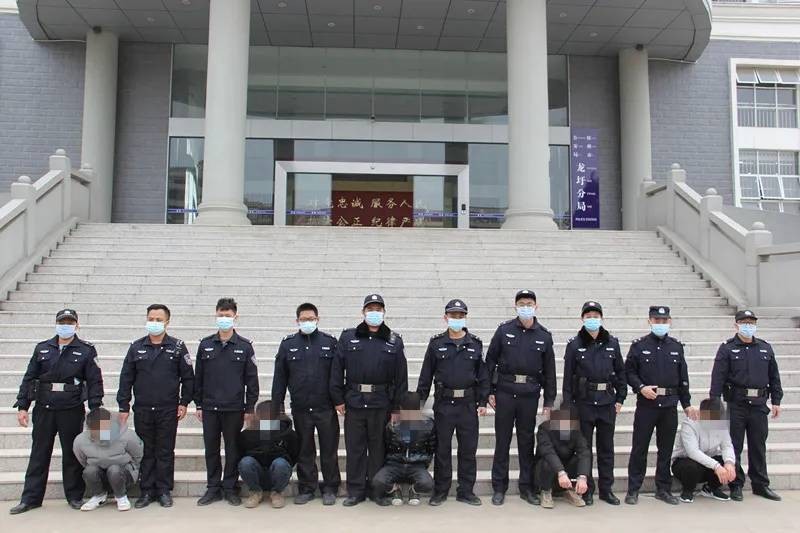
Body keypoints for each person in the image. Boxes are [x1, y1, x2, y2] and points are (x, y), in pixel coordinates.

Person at [10, 309, 104, 515]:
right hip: (44, 408)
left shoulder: (86, 350)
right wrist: (23, 406)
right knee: (39, 453)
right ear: (56, 324)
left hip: (71, 408)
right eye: (62, 322)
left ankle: (74, 496)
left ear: (77, 325)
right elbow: (29, 378)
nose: (66, 326)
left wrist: (95, 408)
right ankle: (30, 499)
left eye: (70, 322)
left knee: (72, 454)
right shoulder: (42, 348)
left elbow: (95, 381)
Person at [330, 294, 408, 506]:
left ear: (384, 312)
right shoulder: (349, 337)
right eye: (370, 309)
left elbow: (401, 378)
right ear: (363, 312)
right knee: (355, 449)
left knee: (378, 450)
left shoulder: (394, 340)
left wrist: (397, 408)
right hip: (354, 402)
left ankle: (377, 491)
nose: (374, 313)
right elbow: (337, 370)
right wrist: (338, 398)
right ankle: (355, 491)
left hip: (381, 403)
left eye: (378, 309)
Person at [117, 304, 194, 508]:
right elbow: (126, 378)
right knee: (146, 451)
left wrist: (184, 402)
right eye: (151, 319)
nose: (154, 323)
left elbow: (188, 377)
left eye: (159, 320)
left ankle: (164, 490)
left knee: (165, 451)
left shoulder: (177, 347)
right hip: (143, 409)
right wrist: (123, 405)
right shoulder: (136, 347)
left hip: (168, 409)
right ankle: (147, 490)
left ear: (167, 322)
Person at [485, 290, 556, 506]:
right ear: (515, 306)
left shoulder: (544, 335)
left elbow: (550, 372)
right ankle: (499, 487)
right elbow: (489, 362)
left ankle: (527, 488)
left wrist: (549, 401)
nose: (526, 307)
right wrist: (488, 392)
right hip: (505, 393)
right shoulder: (504, 330)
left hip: (529, 395)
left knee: (526, 443)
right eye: (522, 303)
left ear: (536, 306)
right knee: (502, 441)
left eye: (529, 303)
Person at [417, 299, 488, 506]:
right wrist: (419, 403)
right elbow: (426, 375)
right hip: (444, 404)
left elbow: (482, 375)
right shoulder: (436, 343)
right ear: (445, 317)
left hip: (468, 404)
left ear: (465, 318)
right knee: (442, 450)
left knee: (468, 450)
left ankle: (466, 491)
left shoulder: (475, 344)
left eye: (460, 315)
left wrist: (483, 400)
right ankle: (440, 490)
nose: (457, 319)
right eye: (453, 315)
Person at [625, 305, 698, 505]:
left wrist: (686, 403)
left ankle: (663, 489)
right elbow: (629, 372)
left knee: (665, 450)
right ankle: (633, 489)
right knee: (639, 448)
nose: (660, 323)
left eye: (664, 321)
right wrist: (641, 387)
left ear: (669, 321)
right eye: (657, 320)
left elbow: (683, 378)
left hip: (669, 406)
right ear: (649, 321)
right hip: (647, 405)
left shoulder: (676, 347)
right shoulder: (639, 346)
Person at [709, 309, 783, 502]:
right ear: (736, 325)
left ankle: (760, 484)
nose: (748, 326)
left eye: (751, 323)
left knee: (758, 445)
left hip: (759, 404)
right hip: (737, 404)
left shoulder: (765, 348)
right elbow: (718, 377)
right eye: (744, 323)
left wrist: (776, 400)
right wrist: (714, 402)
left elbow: (774, 376)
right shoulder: (727, 348)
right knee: (734, 445)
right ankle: (736, 485)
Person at [272, 302, 340, 505]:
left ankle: (330, 488)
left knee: (329, 450)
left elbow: (338, 375)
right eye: (304, 319)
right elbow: (280, 378)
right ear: (297, 321)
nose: (307, 322)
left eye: (311, 319)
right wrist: (278, 407)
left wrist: (339, 400)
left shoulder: (330, 342)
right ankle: (307, 488)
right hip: (301, 408)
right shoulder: (288, 344)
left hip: (326, 408)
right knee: (305, 451)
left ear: (318, 320)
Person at [194, 297, 259, 506]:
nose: (224, 318)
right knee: (211, 449)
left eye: (228, 315)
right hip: (210, 408)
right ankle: (213, 487)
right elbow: (198, 377)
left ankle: (230, 487)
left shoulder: (245, 346)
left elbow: (252, 380)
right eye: (221, 315)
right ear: (216, 315)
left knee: (233, 450)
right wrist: (198, 404)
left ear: (235, 317)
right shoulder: (205, 345)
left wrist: (250, 407)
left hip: (234, 408)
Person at [562, 301, 626, 505]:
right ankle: (587, 489)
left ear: (601, 318)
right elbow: (567, 379)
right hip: (584, 402)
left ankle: (607, 490)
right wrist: (568, 406)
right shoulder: (574, 344)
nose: (592, 319)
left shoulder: (612, 343)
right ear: (582, 319)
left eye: (595, 316)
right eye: (588, 316)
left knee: (606, 449)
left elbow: (621, 373)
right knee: (585, 449)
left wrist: (620, 398)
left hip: (607, 402)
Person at [72, 408, 143, 512]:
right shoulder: (80, 441)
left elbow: (138, 455)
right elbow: (82, 460)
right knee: (89, 470)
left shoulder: (127, 435)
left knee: (114, 469)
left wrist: (132, 469)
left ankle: (121, 496)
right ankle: (99, 495)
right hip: (100, 475)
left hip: (122, 474)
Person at [371, 392, 436, 506]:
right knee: (377, 482)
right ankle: (395, 489)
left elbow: (431, 448)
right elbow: (386, 445)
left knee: (428, 484)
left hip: (416, 465)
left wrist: (423, 464)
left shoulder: (428, 425)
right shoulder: (392, 425)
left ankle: (414, 490)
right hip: (394, 464)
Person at [237, 401, 300, 509]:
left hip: (279, 473)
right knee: (246, 462)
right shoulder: (249, 432)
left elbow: (294, 454)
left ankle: (277, 493)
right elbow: (240, 453)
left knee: (281, 463)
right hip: (257, 473)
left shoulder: (287, 432)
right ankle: (255, 492)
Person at [671, 398, 736, 503]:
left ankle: (711, 488)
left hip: (709, 461)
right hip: (686, 461)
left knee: (732, 464)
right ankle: (688, 490)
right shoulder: (689, 424)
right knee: (690, 467)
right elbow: (693, 452)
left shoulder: (721, 424)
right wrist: (716, 466)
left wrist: (729, 463)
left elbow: (727, 446)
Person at [533, 405, 592, 509]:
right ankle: (546, 491)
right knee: (547, 463)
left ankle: (569, 489)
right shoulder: (544, 428)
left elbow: (584, 451)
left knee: (580, 460)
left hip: (566, 462)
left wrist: (583, 477)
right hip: (547, 466)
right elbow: (548, 452)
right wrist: (561, 472)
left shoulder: (575, 430)